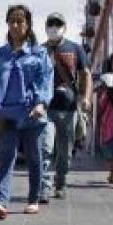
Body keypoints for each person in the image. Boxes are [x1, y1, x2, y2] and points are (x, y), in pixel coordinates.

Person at [0, 4, 53, 220]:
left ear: (28, 24)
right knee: (6, 157)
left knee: (34, 157)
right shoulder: (0, 54)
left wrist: (41, 103)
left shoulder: (39, 53)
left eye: (20, 21)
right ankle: (1, 202)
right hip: (7, 113)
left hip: (31, 112)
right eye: (11, 21)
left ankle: (33, 199)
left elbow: (45, 80)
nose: (15, 25)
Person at [42, 12, 92, 200]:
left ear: (64, 26)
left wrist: (86, 97)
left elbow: (86, 74)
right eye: (51, 23)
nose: (54, 27)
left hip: (68, 108)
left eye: (58, 23)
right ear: (46, 27)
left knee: (65, 150)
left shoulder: (75, 48)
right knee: (45, 147)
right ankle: (44, 187)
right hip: (45, 108)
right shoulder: (40, 50)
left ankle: (60, 182)